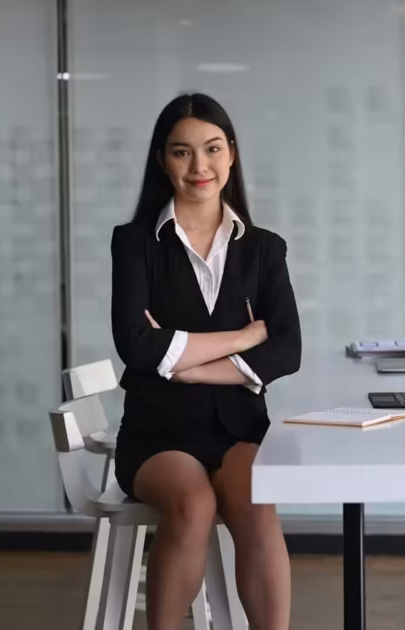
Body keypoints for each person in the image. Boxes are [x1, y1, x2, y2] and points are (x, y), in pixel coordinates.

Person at [109, 92, 301, 630]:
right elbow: (136, 346)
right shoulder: (135, 244)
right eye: (181, 152)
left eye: (212, 149)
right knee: (192, 505)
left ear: (232, 155)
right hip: (157, 433)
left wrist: (185, 361)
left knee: (257, 503)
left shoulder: (264, 249)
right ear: (161, 160)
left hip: (238, 428)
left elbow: (287, 347)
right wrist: (242, 336)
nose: (200, 167)